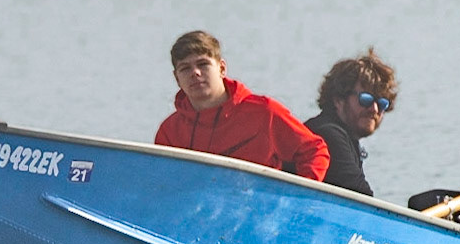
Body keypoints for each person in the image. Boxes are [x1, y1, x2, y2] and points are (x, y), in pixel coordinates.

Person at [154, 30, 330, 181]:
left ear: (222, 69)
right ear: (177, 78)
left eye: (203, 64)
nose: (195, 73)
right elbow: (161, 182)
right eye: (185, 68)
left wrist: (295, 199)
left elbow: (314, 151)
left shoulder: (264, 112)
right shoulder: (169, 131)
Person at [303, 48, 398, 196]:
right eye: (365, 99)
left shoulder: (343, 137)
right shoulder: (328, 134)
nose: (374, 109)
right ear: (338, 100)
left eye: (382, 103)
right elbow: (362, 198)